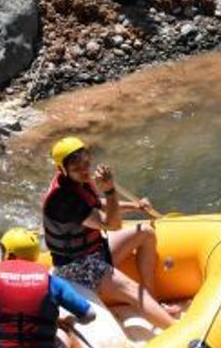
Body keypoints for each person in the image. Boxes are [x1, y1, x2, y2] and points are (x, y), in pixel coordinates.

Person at [41, 136, 181, 330]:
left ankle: (153, 302)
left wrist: (134, 205)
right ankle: (176, 329)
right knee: (133, 290)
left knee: (146, 233)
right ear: (62, 170)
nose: (84, 170)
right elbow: (112, 224)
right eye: (76, 167)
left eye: (85, 163)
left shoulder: (79, 181)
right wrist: (110, 190)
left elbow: (98, 204)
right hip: (77, 268)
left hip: (95, 252)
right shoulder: (64, 200)